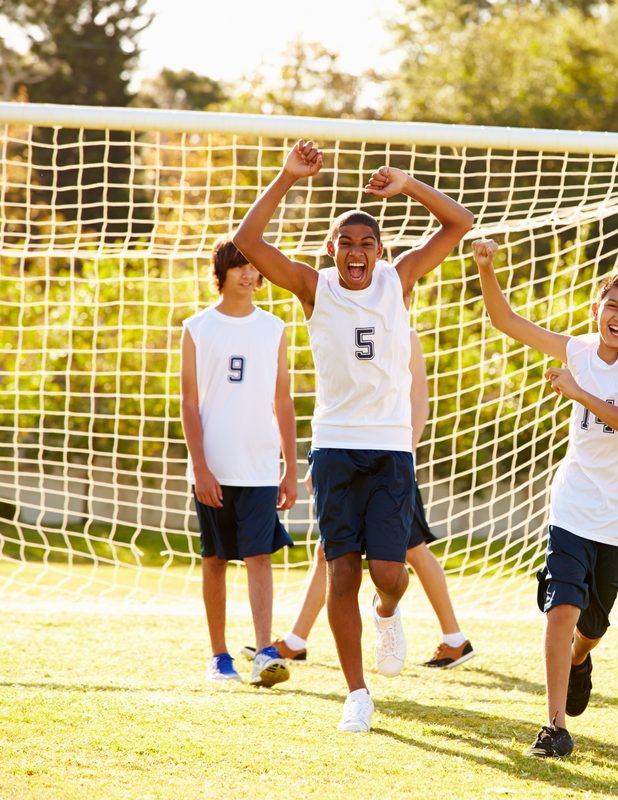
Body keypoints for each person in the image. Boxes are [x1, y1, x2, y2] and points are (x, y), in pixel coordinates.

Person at [233, 140, 473, 733]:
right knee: (341, 570)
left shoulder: (401, 280)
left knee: (389, 573)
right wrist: (288, 176)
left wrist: (408, 185)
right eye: (347, 243)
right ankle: (357, 693)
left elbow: (459, 223)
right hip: (337, 447)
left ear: (381, 251)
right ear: (332, 250)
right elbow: (248, 242)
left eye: (368, 243)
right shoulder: (315, 288)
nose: (357, 252)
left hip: (391, 449)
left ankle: (389, 611)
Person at [472, 238, 618, 758]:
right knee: (562, 607)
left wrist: (581, 394)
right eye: (613, 306)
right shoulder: (578, 348)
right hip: (574, 504)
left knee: (592, 626)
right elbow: (507, 322)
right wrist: (487, 269)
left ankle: (582, 659)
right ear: (596, 308)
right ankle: (554, 726)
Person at [240, 330, 475, 670]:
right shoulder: (352, 327)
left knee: (411, 551)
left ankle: (454, 638)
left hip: (391, 466)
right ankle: (296, 640)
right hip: (354, 462)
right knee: (331, 552)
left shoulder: (404, 334)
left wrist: (404, 454)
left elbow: (419, 401)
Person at [180, 238, 298, 688]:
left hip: (260, 465)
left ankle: (264, 651)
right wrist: (202, 467)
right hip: (213, 467)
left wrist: (289, 464)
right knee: (214, 559)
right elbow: (189, 403)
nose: (250, 275)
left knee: (260, 556)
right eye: (240, 267)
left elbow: (282, 400)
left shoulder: (274, 327)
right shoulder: (198, 327)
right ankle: (219, 656)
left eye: (255, 268)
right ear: (222, 273)